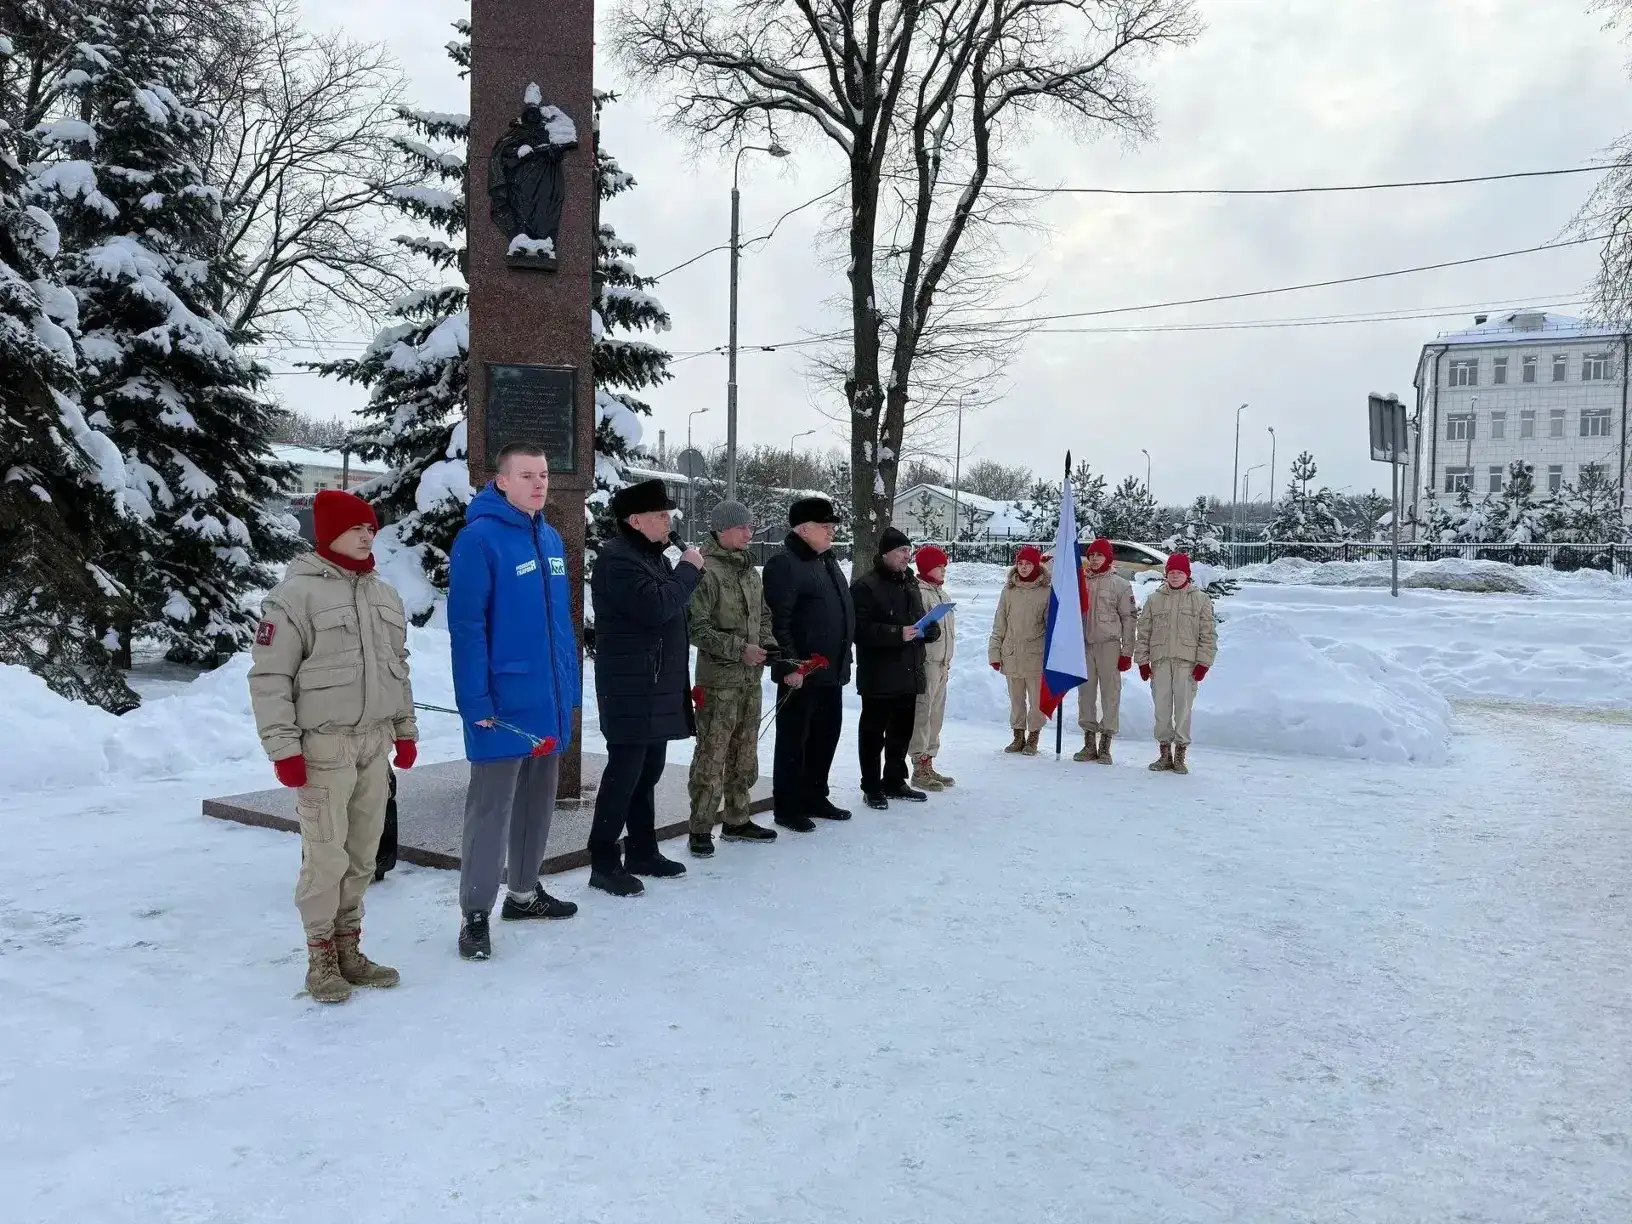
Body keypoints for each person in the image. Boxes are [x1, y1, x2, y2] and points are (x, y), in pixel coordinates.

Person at [248, 488, 417, 1004]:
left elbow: (398, 668)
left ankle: (349, 947)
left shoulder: (383, 595)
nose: (368, 535)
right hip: (323, 748)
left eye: (371, 528)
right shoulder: (294, 597)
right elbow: (270, 678)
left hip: (373, 745)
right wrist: (283, 750)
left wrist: (405, 732)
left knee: (363, 853)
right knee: (326, 856)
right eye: (357, 528)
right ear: (328, 534)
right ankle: (320, 956)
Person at [448, 442, 582, 962]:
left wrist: (567, 689)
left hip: (546, 698)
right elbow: (466, 627)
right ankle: (476, 912)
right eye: (527, 474)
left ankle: (524, 893)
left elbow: (558, 628)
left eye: (544, 474)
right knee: (491, 808)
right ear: (501, 481)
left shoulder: (548, 537)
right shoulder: (478, 540)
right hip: (501, 703)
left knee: (537, 801)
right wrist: (475, 700)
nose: (539, 482)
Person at [588, 478, 706, 895]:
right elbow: (657, 607)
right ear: (635, 520)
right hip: (630, 684)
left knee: (649, 770)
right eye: (660, 514)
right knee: (625, 771)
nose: (668, 520)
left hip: (656, 682)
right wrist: (689, 568)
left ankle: (642, 849)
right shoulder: (617, 559)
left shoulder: (652, 556)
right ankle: (603, 860)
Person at [685, 500, 779, 857]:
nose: (749, 532)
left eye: (750, 527)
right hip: (718, 681)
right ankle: (700, 827)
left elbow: (764, 615)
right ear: (723, 529)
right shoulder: (704, 570)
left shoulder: (749, 571)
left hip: (749, 680)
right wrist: (740, 649)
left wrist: (767, 644)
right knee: (712, 754)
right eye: (743, 527)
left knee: (745, 753)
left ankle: (738, 819)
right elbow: (697, 629)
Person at [763, 497, 855, 832]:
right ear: (804, 529)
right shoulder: (784, 564)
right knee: (794, 739)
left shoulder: (826, 561)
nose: (832, 531)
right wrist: (788, 665)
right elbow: (777, 622)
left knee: (825, 735)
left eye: (833, 526)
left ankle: (815, 794)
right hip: (801, 673)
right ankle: (787, 805)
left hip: (830, 671)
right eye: (825, 526)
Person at [851, 527, 941, 809]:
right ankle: (871, 785)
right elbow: (859, 630)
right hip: (879, 674)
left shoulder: (910, 583)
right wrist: (895, 634)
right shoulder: (865, 586)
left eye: (908, 550)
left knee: (902, 731)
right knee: (873, 732)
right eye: (902, 551)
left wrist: (930, 629)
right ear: (885, 553)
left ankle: (894, 779)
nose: (907, 556)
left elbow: (917, 619)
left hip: (909, 671)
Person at [1135, 552, 1217, 775]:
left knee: (1182, 710)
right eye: (1171, 572)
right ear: (1166, 574)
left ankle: (1180, 755)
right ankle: (1164, 755)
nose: (1175, 576)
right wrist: (1143, 662)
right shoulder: (1155, 599)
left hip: (1186, 665)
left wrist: (1203, 663)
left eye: (1179, 572)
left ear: (1187, 575)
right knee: (1162, 711)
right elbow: (1143, 632)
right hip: (1160, 663)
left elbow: (1208, 634)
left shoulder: (1200, 600)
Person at [1074, 537, 1137, 765]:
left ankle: (1105, 744)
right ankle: (1089, 743)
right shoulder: (1080, 581)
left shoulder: (1120, 585)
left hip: (1109, 645)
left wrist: (1126, 652)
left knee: (1110, 694)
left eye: (1099, 555)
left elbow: (1129, 619)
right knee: (1086, 695)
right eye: (1091, 555)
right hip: (1084, 646)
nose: (1094, 559)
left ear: (1108, 558)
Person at [987, 543, 1052, 756]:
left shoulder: (1046, 592)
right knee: (1016, 700)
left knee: (1036, 701)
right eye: (1020, 563)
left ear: (1037, 566)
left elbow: (1051, 626)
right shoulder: (1009, 591)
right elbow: (1000, 623)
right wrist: (995, 652)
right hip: (1011, 653)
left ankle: (1033, 737)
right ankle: (1017, 736)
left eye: (1028, 564)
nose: (1023, 567)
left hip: (1036, 654)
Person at [908, 544, 956, 791]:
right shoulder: (920, 593)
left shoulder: (942, 594)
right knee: (923, 715)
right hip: (927, 662)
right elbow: (917, 626)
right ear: (926, 568)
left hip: (942, 663)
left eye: (944, 566)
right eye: (939, 567)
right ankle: (919, 763)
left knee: (936, 715)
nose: (943, 571)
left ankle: (929, 759)